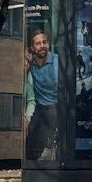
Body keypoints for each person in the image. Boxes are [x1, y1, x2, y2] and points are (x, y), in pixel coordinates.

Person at [22, 29, 61, 161]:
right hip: (40, 106)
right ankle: (33, 162)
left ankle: (49, 148)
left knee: (49, 123)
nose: (42, 46)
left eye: (44, 42)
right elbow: (28, 91)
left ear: (48, 44)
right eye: (38, 43)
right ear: (33, 47)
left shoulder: (56, 62)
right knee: (32, 134)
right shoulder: (31, 65)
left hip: (55, 104)